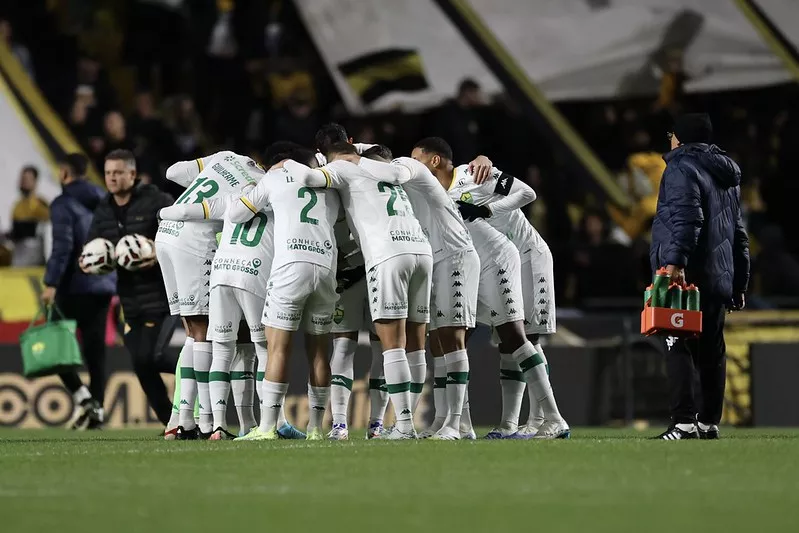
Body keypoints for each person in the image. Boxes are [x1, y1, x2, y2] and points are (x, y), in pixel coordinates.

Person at [413, 137, 569, 439]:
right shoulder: (435, 195)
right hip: (485, 258)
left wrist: (488, 209)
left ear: (433, 161)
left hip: (525, 254)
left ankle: (545, 418)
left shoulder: (473, 174)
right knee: (494, 339)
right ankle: (493, 423)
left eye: (416, 159)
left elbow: (527, 192)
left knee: (522, 337)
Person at [288, 142, 433, 440]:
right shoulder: (391, 174)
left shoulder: (343, 170)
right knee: (398, 345)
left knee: (387, 345)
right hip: (412, 254)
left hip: (382, 260)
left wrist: (285, 164)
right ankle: (352, 424)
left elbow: (310, 178)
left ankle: (392, 424)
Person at [355, 146, 479, 440]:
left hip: (454, 255)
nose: (411, 159)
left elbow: (390, 166)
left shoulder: (408, 168)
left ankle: (456, 423)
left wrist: (352, 157)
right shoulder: (398, 186)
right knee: (437, 341)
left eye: (417, 154)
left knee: (452, 338)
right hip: (435, 258)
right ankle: (450, 422)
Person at [227, 146, 340, 441]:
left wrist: (256, 189)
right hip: (326, 266)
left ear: (275, 163)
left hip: (291, 266)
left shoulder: (273, 178)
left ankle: (266, 428)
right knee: (318, 351)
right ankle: (316, 428)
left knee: (278, 348)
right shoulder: (327, 181)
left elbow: (236, 214)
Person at [651, 113, 750, 440]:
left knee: (675, 341)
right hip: (719, 274)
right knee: (712, 350)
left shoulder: (680, 167)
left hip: (686, 275)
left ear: (678, 138)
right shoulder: (727, 174)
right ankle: (708, 422)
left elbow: (687, 219)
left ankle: (683, 422)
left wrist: (675, 263)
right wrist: (739, 282)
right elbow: (738, 233)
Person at [157, 150, 262, 439]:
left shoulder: (225, 157)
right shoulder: (262, 181)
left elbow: (173, 173)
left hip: (165, 234)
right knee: (202, 332)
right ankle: (206, 423)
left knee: (191, 332)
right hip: (194, 239)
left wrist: (205, 167)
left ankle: (181, 420)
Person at [82, 149, 179, 429]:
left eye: (118, 173)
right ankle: (172, 423)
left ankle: (204, 371)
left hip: (164, 297)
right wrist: (88, 262)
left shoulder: (156, 200)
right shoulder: (103, 208)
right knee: (140, 365)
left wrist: (157, 255)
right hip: (130, 302)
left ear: (132, 174)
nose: (112, 178)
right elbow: (94, 244)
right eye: (108, 173)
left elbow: (180, 237)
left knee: (154, 357)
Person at [42, 154, 116, 429]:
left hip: (72, 287)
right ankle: (96, 411)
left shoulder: (62, 204)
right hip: (103, 286)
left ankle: (83, 398)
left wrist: (50, 283)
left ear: (64, 172)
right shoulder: (103, 199)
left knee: (54, 349)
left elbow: (62, 246)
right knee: (96, 355)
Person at [10, 165, 49, 266]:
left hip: (33, 257)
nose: (24, 182)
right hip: (18, 252)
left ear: (35, 182)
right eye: (23, 179)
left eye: (28, 179)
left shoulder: (40, 204)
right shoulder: (17, 205)